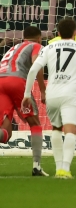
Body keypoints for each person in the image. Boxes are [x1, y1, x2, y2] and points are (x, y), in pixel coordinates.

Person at [22, 19, 76, 179]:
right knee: (70, 130)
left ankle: (58, 168)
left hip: (52, 94)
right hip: (70, 94)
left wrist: (27, 94)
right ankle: (65, 168)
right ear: (75, 33)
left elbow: (33, 70)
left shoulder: (48, 47)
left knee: (56, 128)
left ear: (57, 33)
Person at [0, 26, 48, 176]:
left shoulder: (13, 47)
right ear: (39, 38)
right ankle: (37, 166)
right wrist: (42, 89)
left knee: (5, 134)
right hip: (16, 81)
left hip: (1, 82)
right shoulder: (36, 46)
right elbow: (37, 65)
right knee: (35, 123)